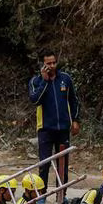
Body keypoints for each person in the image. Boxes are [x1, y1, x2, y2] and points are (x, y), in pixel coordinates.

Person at [28, 50, 80, 189]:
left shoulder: (65, 79)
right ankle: (41, 194)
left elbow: (73, 100)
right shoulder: (36, 81)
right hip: (45, 128)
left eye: (54, 62)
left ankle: (62, 194)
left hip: (63, 128)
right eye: (48, 63)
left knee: (62, 164)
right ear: (42, 64)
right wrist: (44, 81)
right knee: (44, 164)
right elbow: (35, 100)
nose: (51, 66)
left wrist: (75, 120)